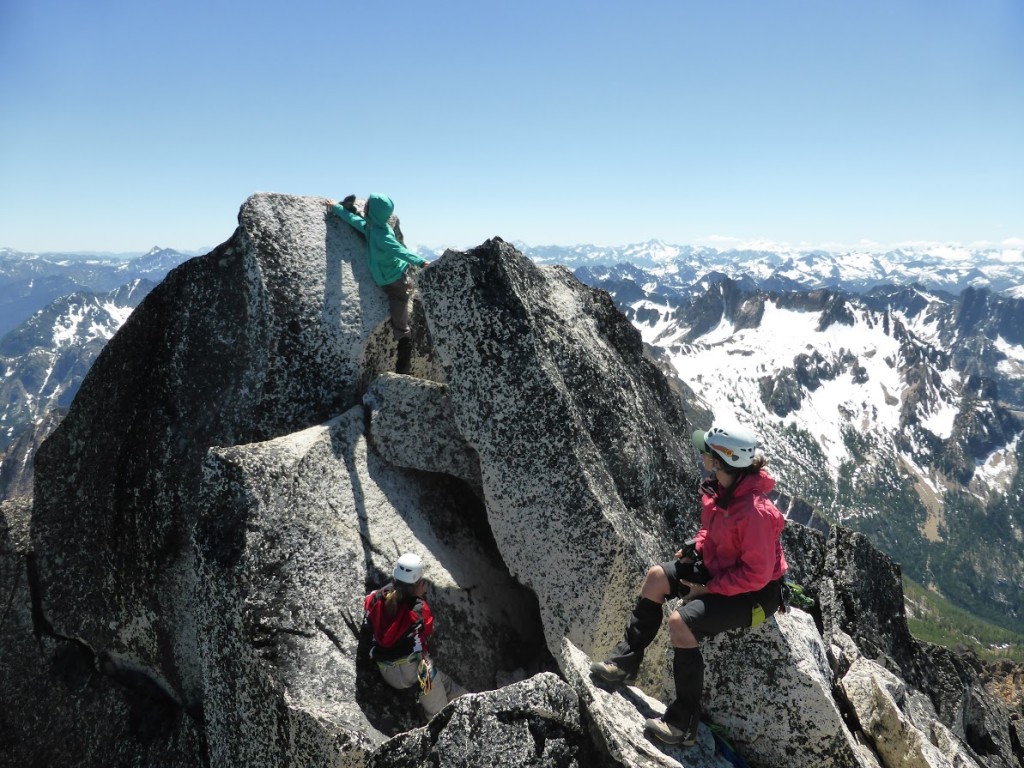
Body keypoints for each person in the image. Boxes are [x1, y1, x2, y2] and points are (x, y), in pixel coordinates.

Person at [590, 419, 788, 746]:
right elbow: (712, 531)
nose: (704, 456)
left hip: (755, 595)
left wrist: (707, 589)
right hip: (722, 571)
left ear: (724, 460)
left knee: (681, 622)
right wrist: (696, 547)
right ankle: (624, 662)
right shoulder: (723, 490)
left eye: (708, 452)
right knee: (656, 578)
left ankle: (684, 725)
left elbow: (757, 574)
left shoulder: (755, 512)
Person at [325, 194, 428, 374]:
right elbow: (355, 222)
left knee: (400, 322)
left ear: (373, 212)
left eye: (368, 205)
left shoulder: (382, 236)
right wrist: (337, 208)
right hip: (388, 275)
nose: (365, 205)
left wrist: (422, 262)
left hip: (397, 282)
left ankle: (404, 360)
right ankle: (348, 207)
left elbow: (400, 251)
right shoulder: (373, 227)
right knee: (359, 227)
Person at [363, 553, 467, 719]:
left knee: (445, 683)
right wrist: (418, 596)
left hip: (386, 670)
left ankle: (468, 700)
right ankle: (443, 727)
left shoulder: (376, 597)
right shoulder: (419, 609)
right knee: (436, 708)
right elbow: (427, 630)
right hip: (415, 672)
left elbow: (369, 605)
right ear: (418, 583)